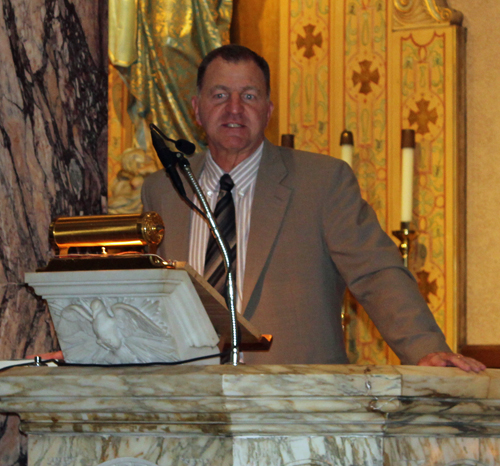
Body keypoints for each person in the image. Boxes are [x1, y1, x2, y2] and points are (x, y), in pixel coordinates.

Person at [142, 45, 485, 372]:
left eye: (249, 96)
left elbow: (375, 273)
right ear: (196, 109)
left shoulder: (322, 182)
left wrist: (426, 349)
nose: (234, 108)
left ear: (268, 111)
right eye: (220, 95)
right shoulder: (164, 189)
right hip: (186, 401)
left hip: (298, 406)